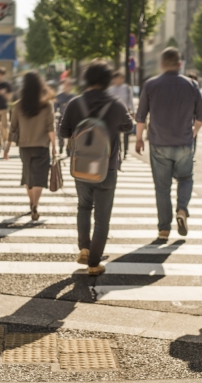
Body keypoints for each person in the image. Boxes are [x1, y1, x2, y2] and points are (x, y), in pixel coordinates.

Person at [60, 60, 134, 276]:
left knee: (83, 207)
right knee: (102, 217)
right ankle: (94, 263)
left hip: (81, 166)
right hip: (107, 167)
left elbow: (64, 132)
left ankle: (84, 248)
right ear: (107, 80)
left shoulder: (75, 103)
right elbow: (128, 126)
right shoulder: (116, 104)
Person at [135, 48, 202, 240]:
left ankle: (164, 229)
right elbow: (200, 117)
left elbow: (141, 116)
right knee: (185, 178)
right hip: (184, 142)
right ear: (179, 64)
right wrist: (193, 133)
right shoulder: (192, 85)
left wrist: (139, 138)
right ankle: (182, 209)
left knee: (162, 187)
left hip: (159, 143)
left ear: (162, 64)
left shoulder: (151, 85)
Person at [4, 72, 56, 221]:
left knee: (28, 176)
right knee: (39, 177)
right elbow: (50, 128)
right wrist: (54, 147)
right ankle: (35, 204)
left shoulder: (18, 106)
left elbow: (12, 128)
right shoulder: (47, 105)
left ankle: (30, 202)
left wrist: (7, 148)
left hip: (24, 147)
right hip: (42, 146)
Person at [108, 71, 135, 159]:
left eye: (120, 78)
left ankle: (125, 151)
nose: (118, 80)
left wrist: (133, 112)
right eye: (117, 78)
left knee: (127, 132)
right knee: (116, 133)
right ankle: (118, 150)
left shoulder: (127, 88)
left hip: (125, 113)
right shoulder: (110, 90)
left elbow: (130, 101)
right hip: (114, 114)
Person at [54, 78, 75, 155]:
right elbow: (55, 107)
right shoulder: (59, 96)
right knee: (60, 133)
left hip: (71, 118)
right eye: (66, 84)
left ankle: (68, 148)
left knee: (71, 134)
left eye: (69, 85)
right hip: (61, 116)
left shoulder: (73, 97)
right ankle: (61, 146)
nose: (67, 86)